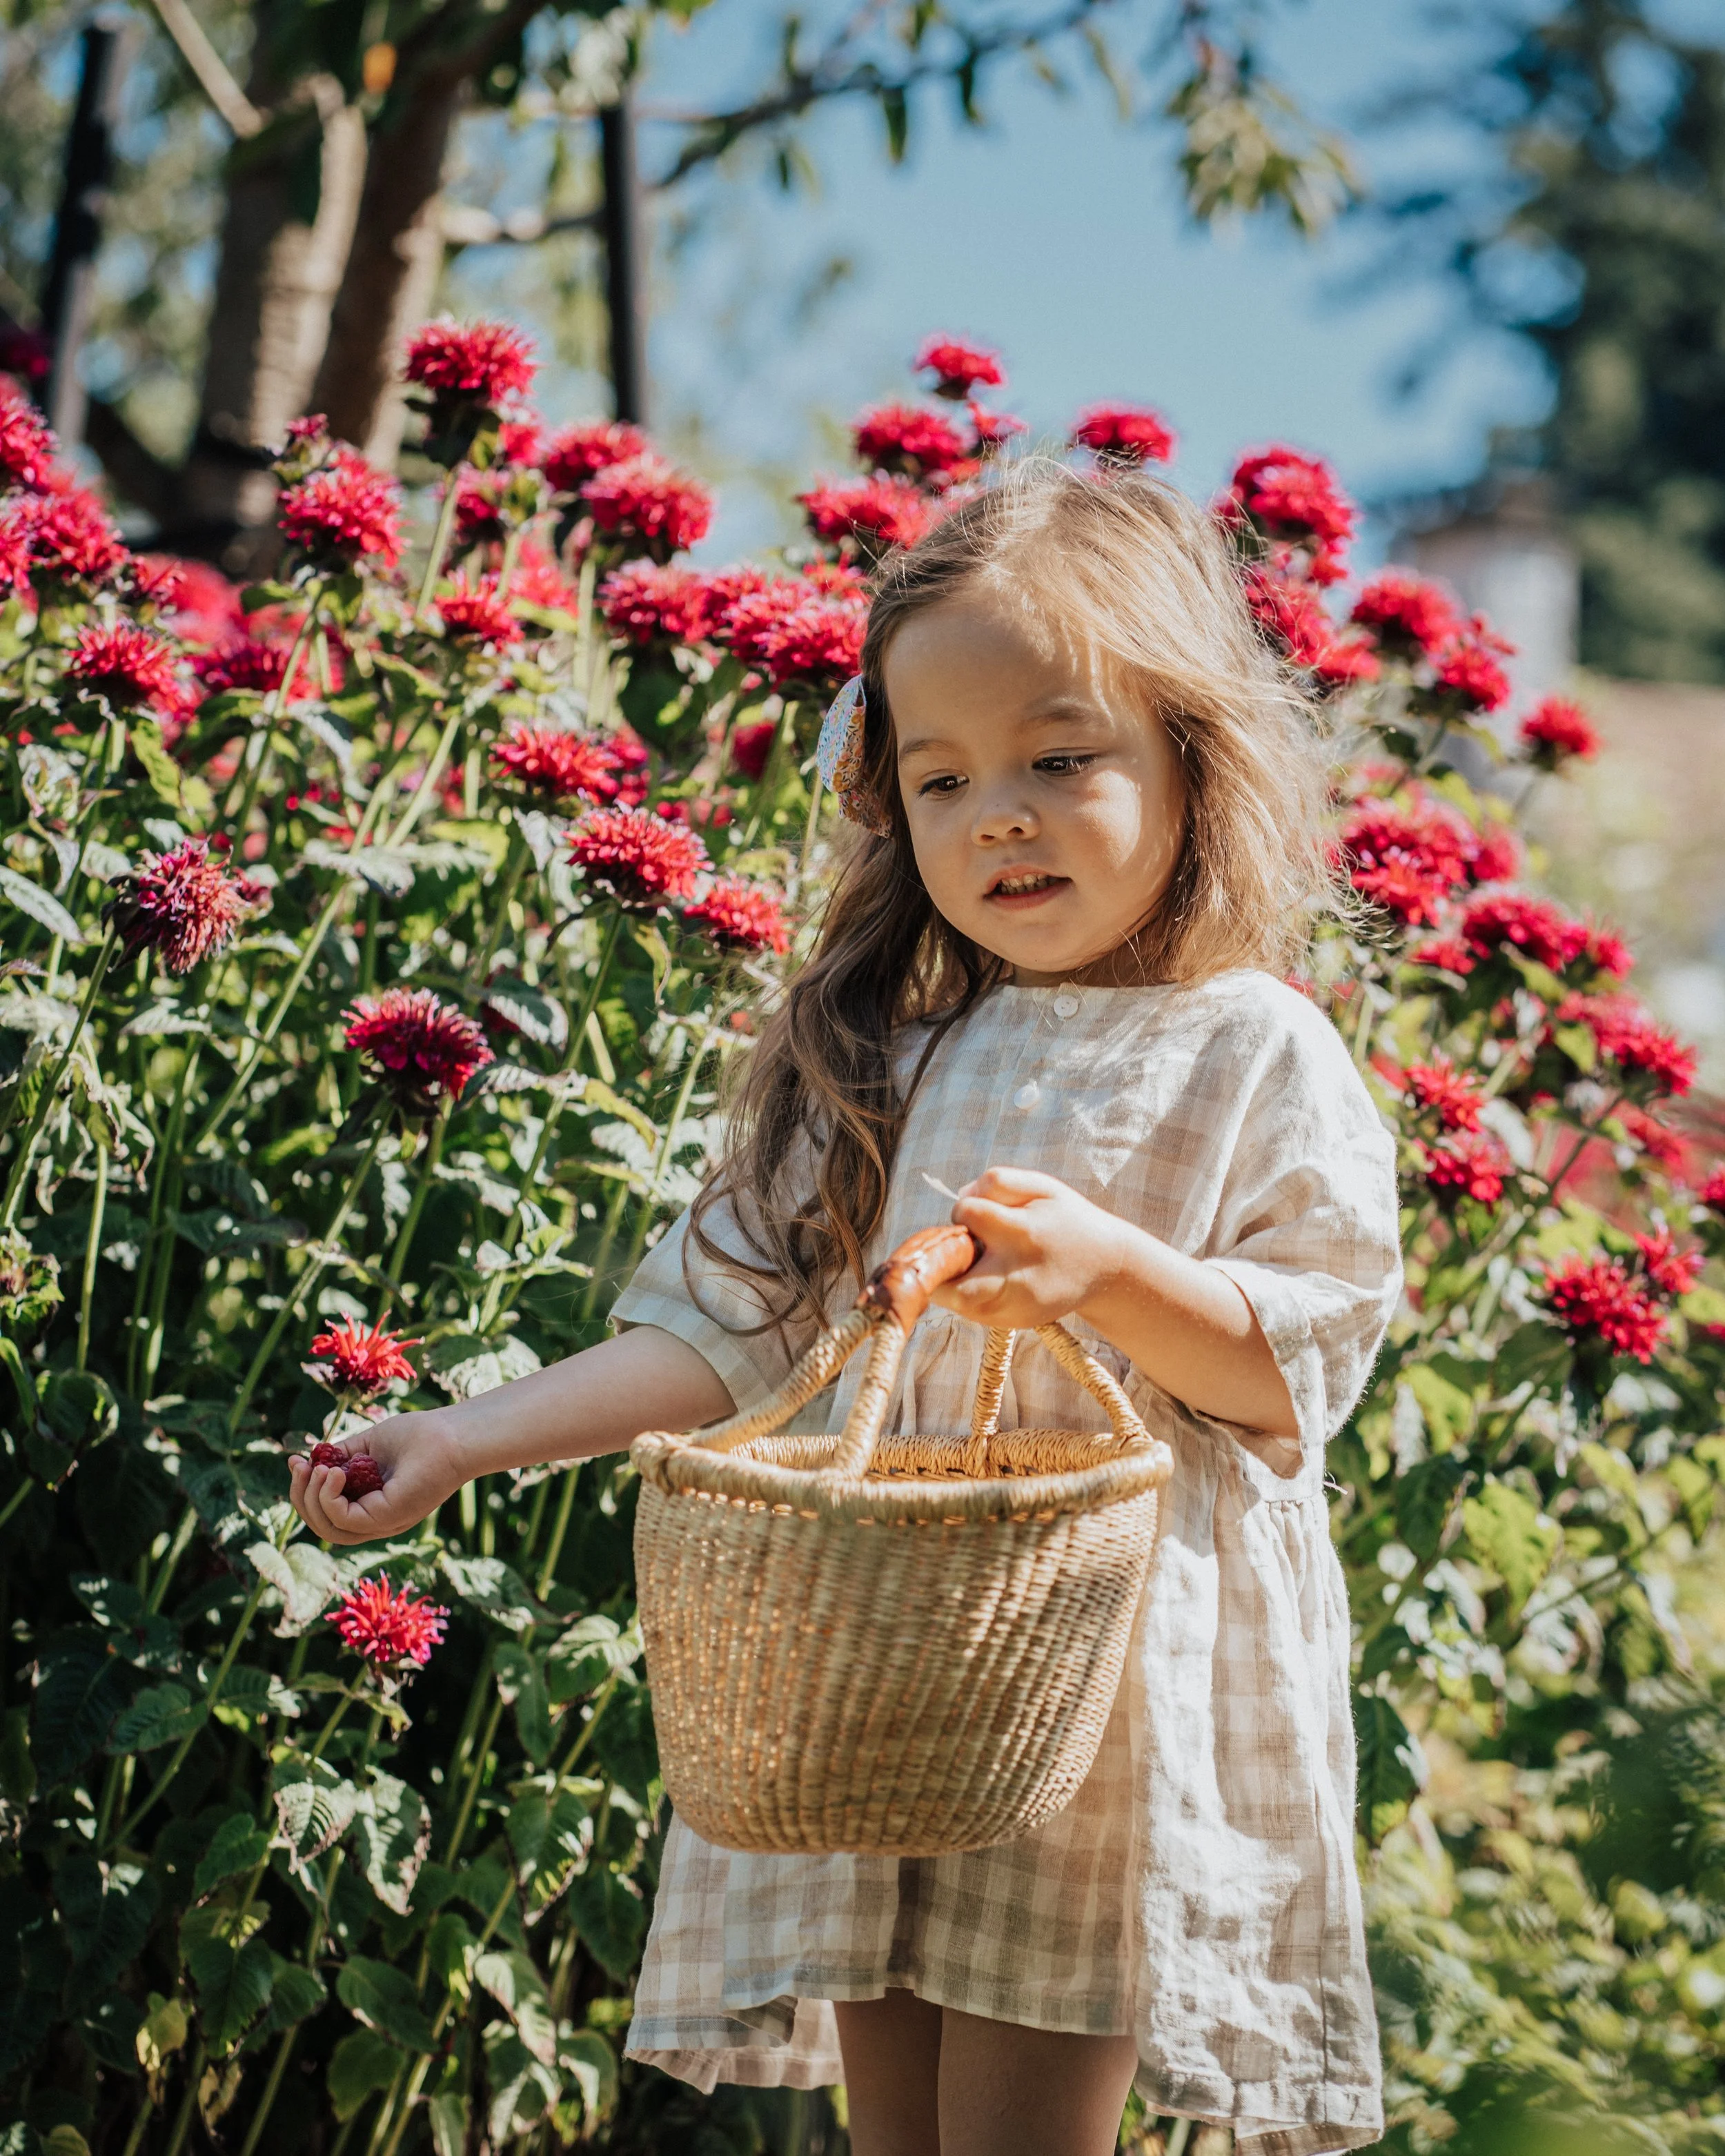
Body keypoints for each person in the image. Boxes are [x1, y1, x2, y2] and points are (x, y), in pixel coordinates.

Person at [290, 457, 1402, 2156]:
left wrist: (1108, 1276)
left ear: (1195, 754)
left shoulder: (1251, 1046)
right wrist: (459, 1436)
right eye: (941, 776)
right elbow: (724, 1323)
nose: (998, 815)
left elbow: (1294, 1361)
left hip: (1098, 1703)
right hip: (880, 1668)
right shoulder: (889, 1050)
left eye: (1059, 757)